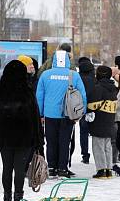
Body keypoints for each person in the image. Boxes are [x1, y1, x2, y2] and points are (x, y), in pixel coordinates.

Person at [0, 60, 44, 201]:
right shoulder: (27, 91)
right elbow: (35, 116)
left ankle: (6, 200)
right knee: (20, 169)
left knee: (7, 167)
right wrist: (39, 140)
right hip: (24, 137)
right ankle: (18, 200)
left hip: (4, 136)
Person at [36, 50, 86, 178]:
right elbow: (82, 95)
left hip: (49, 114)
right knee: (65, 142)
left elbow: (39, 97)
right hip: (67, 115)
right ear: (67, 61)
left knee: (51, 142)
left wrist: (40, 114)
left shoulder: (45, 75)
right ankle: (62, 168)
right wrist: (80, 112)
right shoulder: (74, 75)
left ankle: (51, 168)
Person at [86, 66, 118, 179]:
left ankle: (101, 170)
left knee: (98, 146)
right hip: (110, 120)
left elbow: (91, 105)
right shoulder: (113, 88)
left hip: (99, 121)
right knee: (107, 146)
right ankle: (109, 169)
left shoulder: (98, 88)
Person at [74, 57, 95, 165]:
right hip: (93, 108)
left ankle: (85, 155)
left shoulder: (78, 78)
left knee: (83, 132)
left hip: (81, 108)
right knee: (96, 133)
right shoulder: (94, 79)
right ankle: (97, 154)